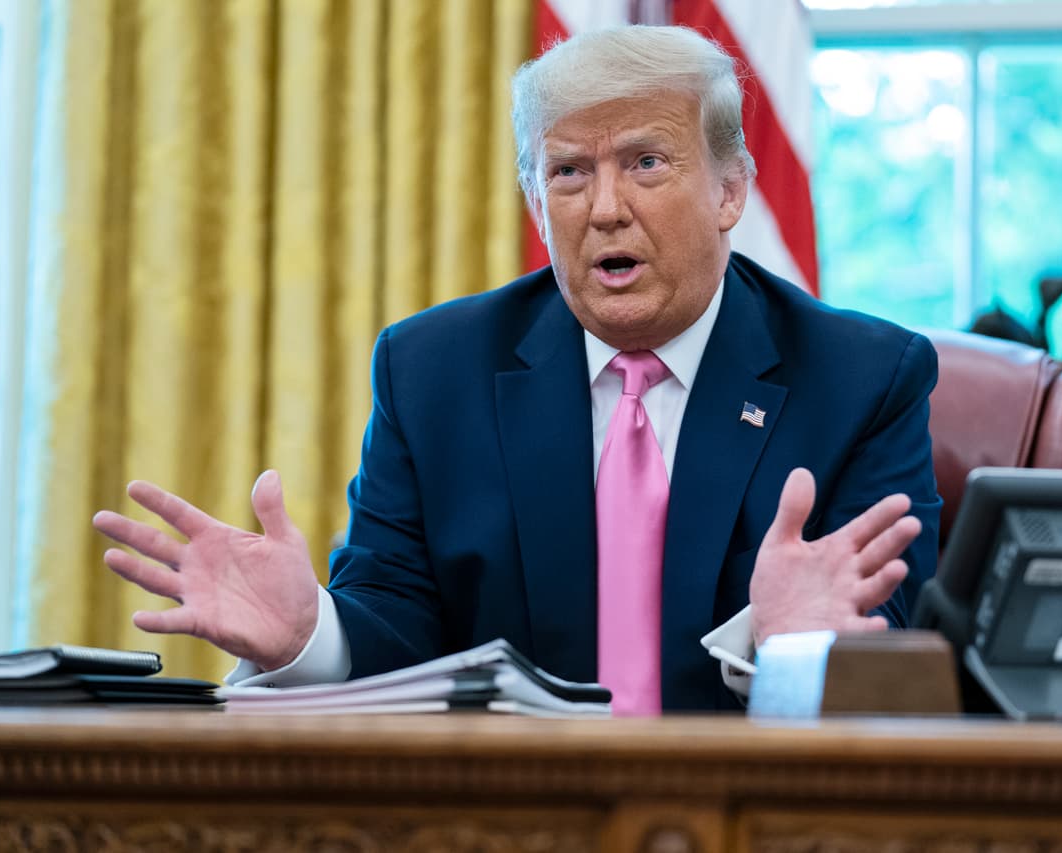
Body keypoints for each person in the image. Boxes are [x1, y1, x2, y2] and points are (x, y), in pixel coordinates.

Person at [92, 25, 941, 714]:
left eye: (646, 163)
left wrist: (786, 645)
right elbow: (397, 628)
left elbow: (904, 650)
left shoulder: (863, 378)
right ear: (536, 201)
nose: (606, 208)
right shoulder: (433, 371)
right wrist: (311, 632)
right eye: (569, 172)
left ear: (730, 191)